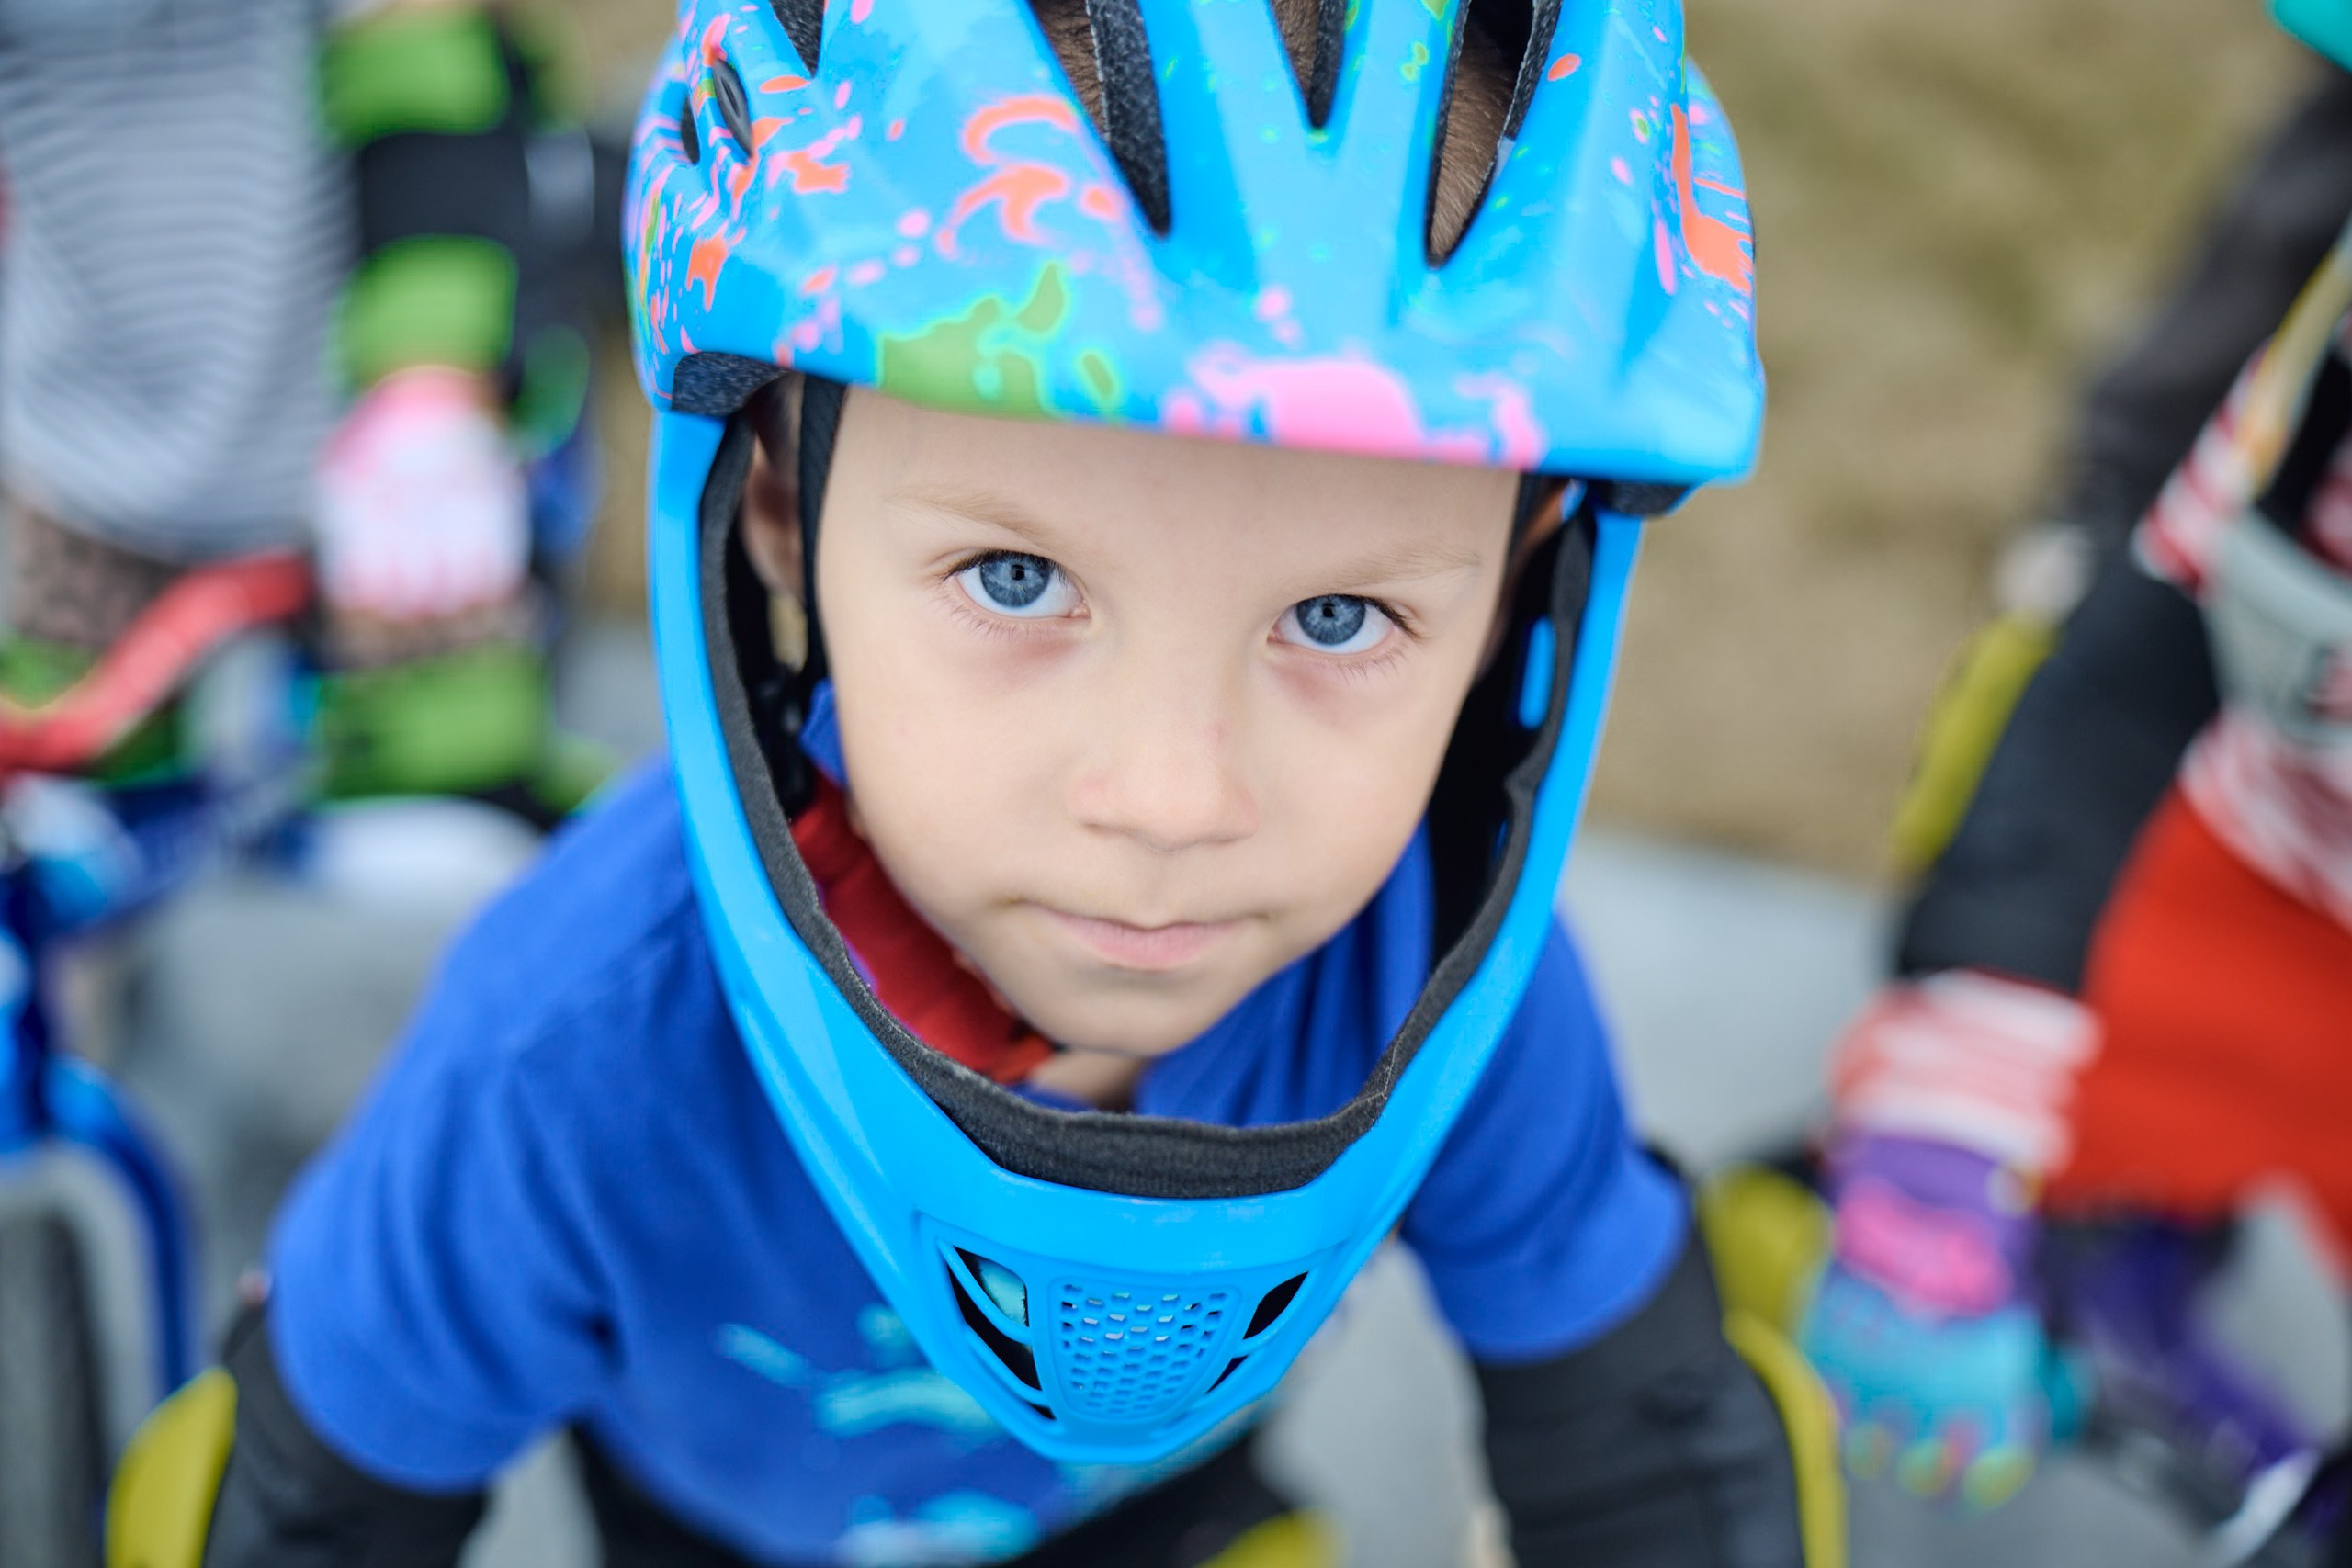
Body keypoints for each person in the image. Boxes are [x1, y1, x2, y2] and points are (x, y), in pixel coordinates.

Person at [106, 3, 1835, 1565]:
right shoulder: (571, 1051)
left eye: (1337, 616)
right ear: (777, 503)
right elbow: (302, 1503)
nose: (1170, 798)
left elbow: (1650, 1451)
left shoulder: (1448, 995)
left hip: (1164, 1518)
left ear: (1516, 591)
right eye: (1017, 579)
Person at [1782, 0, 2352, 1518]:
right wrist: (1939, 1133)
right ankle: (2093, 1220)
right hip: (2259, 865)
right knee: (1919, 1140)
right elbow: (2125, 677)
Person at [0, 0, 606, 812]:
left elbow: (420, 64)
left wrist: (428, 386)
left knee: (441, 830)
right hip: (78, 490)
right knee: (75, 839)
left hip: (382, 500)